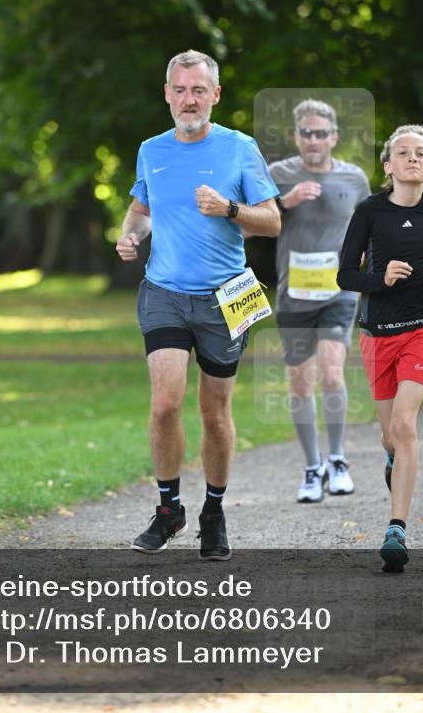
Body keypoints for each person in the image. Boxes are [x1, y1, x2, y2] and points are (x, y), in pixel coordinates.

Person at [115, 50, 280, 560]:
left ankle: (213, 510)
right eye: (181, 90)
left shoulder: (240, 148)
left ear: (215, 95)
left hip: (225, 298)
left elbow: (271, 221)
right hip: (164, 291)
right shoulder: (151, 149)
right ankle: (169, 509)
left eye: (199, 91)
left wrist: (229, 209)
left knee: (215, 412)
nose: (189, 100)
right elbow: (142, 209)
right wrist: (130, 235)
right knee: (165, 403)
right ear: (167, 94)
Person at [337, 125, 423, 572]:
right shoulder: (369, 212)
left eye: (421, 153)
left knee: (405, 425)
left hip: (421, 330)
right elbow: (344, 275)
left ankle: (396, 529)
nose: (412, 159)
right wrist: (378, 279)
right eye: (403, 153)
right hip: (377, 333)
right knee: (390, 436)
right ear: (388, 165)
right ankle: (390, 455)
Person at [267, 100, 370, 503]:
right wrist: (284, 202)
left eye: (321, 133)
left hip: (338, 292)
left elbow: (370, 226)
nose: (314, 140)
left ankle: (339, 459)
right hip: (293, 294)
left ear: (334, 137)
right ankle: (312, 468)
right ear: (296, 136)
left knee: (331, 373)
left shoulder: (355, 177)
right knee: (299, 383)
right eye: (306, 133)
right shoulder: (278, 175)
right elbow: (252, 220)